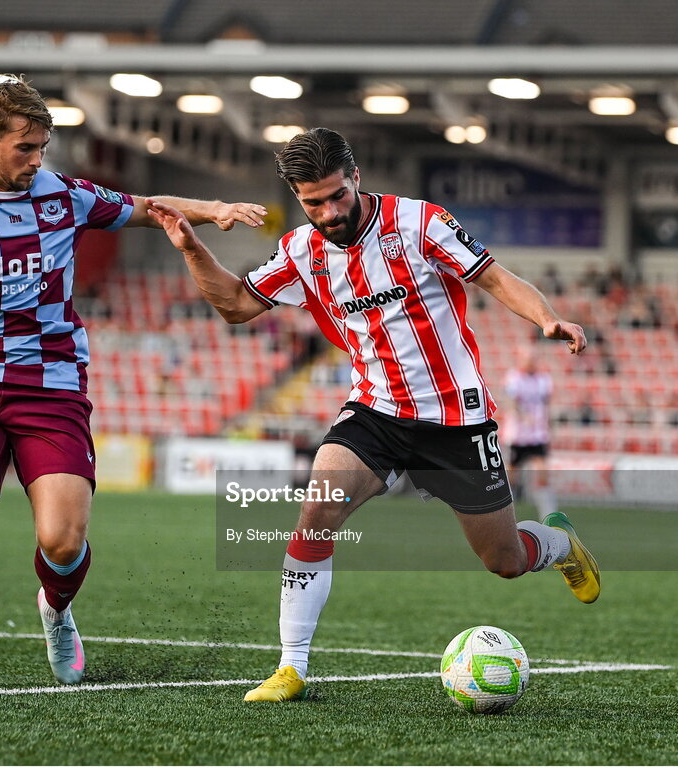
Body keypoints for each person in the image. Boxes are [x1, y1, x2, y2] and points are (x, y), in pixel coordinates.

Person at [147, 127, 600, 703]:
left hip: (456, 418)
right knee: (315, 514)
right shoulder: (300, 252)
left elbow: (491, 276)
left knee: (505, 561)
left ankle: (558, 545)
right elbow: (236, 305)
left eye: (338, 195)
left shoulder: (419, 223)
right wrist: (192, 250)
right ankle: (292, 667)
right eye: (314, 202)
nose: (330, 211)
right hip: (375, 411)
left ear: (355, 177)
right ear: (297, 197)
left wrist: (546, 319)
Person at [0, 76, 267, 687]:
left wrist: (216, 209)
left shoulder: (64, 195)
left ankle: (57, 610)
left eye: (43, 147)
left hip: (52, 387)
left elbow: (149, 208)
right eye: (25, 148)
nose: (38, 159)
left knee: (63, 543)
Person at [504, 345, 556, 518]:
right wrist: (523, 415)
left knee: (542, 470)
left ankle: (547, 514)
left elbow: (547, 404)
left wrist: (549, 425)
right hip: (517, 435)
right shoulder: (514, 378)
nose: (532, 362)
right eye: (528, 359)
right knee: (512, 474)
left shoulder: (544, 379)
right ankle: (507, 511)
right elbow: (511, 401)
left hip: (537, 434)